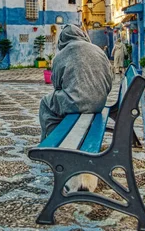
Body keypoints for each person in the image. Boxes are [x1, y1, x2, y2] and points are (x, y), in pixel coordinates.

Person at [39, 24, 113, 192]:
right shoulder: (98, 50)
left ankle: (48, 143)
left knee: (46, 103)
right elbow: (109, 81)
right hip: (98, 104)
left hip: (73, 103)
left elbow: (56, 86)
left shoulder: (61, 55)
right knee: (57, 102)